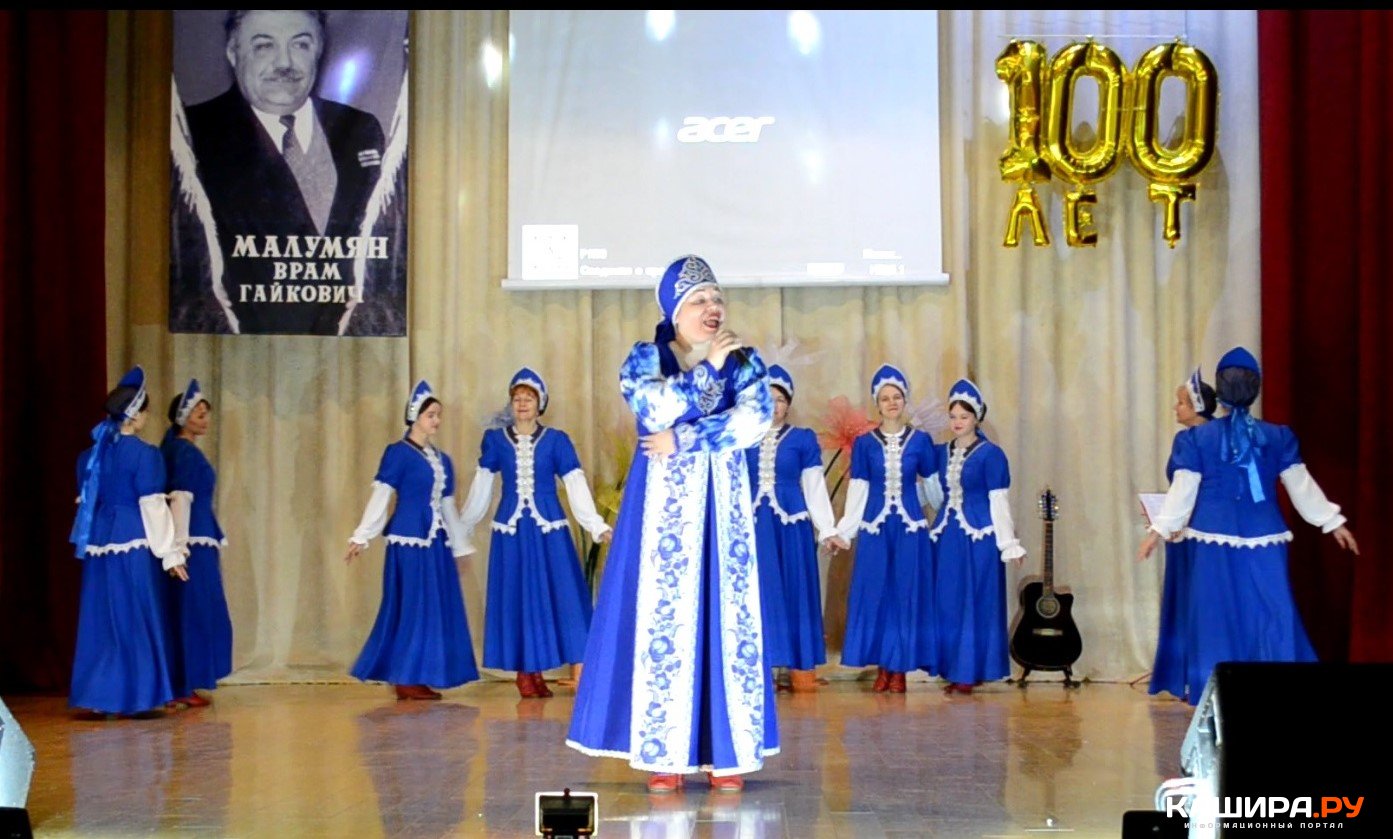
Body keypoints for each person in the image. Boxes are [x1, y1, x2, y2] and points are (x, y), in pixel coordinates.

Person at [566, 254, 776, 794]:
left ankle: (727, 753)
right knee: (666, 617)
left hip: (724, 508)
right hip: (664, 512)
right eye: (699, 300)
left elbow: (755, 421)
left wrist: (685, 438)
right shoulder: (646, 358)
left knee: (725, 616)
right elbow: (653, 408)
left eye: (716, 297)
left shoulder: (746, 360)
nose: (712, 307)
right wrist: (708, 372)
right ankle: (666, 752)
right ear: (674, 312)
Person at [1140, 347, 1359, 703]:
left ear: (1221, 391)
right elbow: (1301, 486)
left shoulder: (1197, 439)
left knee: (1216, 617)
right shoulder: (1277, 436)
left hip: (1213, 540)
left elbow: (1184, 490)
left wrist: (1159, 530)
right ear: (1255, 389)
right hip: (1263, 538)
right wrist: (1331, 522)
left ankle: (1216, 692)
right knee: (1271, 611)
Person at [176, 9, 388, 335]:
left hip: (345, 345)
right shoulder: (193, 136)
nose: (285, 63)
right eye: (264, 46)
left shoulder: (361, 129)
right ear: (233, 52)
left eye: (300, 44)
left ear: (320, 50)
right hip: (244, 344)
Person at [456, 368, 612, 698]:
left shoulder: (557, 440)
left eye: (529, 398)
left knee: (562, 596)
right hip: (511, 532)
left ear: (541, 404)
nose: (523, 403)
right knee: (517, 596)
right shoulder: (495, 441)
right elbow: (482, 486)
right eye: (517, 398)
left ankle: (541, 668)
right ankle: (525, 672)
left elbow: (575, 483)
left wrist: (595, 525)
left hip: (549, 529)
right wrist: (462, 528)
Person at [346, 380, 479, 700]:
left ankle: (419, 673)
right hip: (408, 541)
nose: (436, 421)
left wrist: (460, 547)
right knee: (411, 606)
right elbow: (382, 494)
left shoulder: (442, 460)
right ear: (415, 417)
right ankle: (404, 676)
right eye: (431, 415)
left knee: (432, 608)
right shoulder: (398, 453)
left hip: (435, 543)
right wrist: (362, 535)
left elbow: (447, 506)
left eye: (438, 415)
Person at [69, 366, 189, 716]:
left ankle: (101, 696)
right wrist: (170, 555)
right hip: (133, 541)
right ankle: (137, 697)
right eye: (145, 412)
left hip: (98, 545)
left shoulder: (90, 456)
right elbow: (153, 507)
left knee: (103, 618)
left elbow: (86, 501)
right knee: (134, 615)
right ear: (135, 414)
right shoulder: (144, 455)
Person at [831, 365, 939, 694]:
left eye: (897, 397)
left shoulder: (921, 441)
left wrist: (943, 514)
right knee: (877, 595)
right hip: (875, 529)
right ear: (877, 404)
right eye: (885, 398)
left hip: (910, 530)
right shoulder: (865, 444)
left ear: (905, 400)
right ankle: (882, 666)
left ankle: (900, 669)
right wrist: (845, 531)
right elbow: (859, 490)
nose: (892, 403)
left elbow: (933, 489)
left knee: (905, 595)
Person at [745, 364, 847, 693]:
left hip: (791, 527)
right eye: (767, 399)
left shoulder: (802, 439)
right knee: (759, 592)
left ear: (788, 404)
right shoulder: (743, 437)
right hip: (754, 526)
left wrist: (827, 528)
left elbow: (814, 485)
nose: (773, 405)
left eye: (779, 400)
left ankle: (800, 670)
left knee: (794, 590)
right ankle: (757, 668)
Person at [925, 378, 1026, 695]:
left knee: (975, 601)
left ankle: (970, 672)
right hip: (948, 537)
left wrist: (1009, 544)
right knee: (949, 601)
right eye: (953, 416)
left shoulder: (991, 455)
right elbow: (934, 494)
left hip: (979, 538)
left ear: (976, 418)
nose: (957, 422)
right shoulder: (941, 453)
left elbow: (998, 501)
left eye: (964, 416)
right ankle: (955, 668)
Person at [1137, 369, 1216, 702]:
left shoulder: (1190, 440)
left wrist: (1162, 526)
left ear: (1197, 406)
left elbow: (1190, 490)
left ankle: (1191, 677)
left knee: (1190, 602)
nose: (1175, 408)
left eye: (1181, 402)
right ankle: (1192, 676)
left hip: (1190, 532)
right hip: (1194, 531)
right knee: (1194, 603)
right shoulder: (1213, 437)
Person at [160, 379, 234, 708]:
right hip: (191, 542)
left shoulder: (181, 450)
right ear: (183, 418)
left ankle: (184, 681)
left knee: (192, 609)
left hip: (196, 538)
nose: (205, 420)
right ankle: (184, 683)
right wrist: (178, 549)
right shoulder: (184, 453)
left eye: (206, 414)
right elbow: (181, 500)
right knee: (193, 609)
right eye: (199, 414)